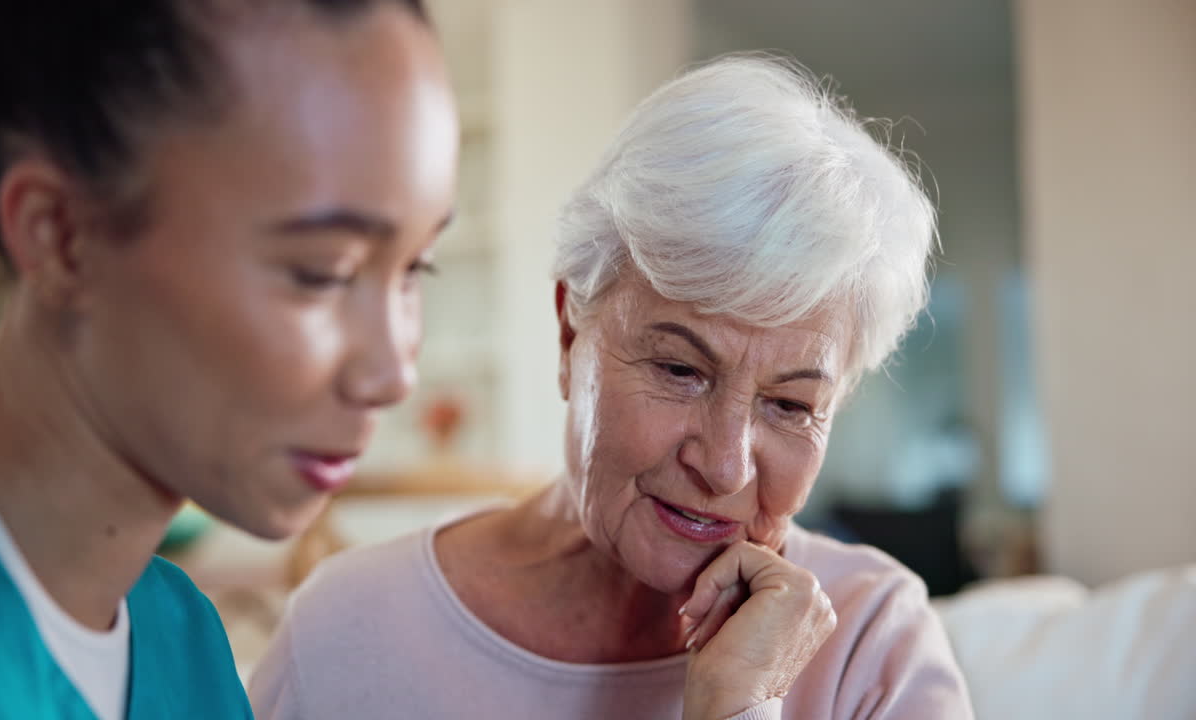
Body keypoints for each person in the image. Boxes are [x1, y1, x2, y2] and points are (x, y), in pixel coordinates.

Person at [250, 55, 974, 719]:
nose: (724, 465)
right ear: (570, 334)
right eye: (680, 370)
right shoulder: (347, 630)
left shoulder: (875, 645)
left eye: (789, 405)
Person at [0, 0, 457, 717]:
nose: (393, 375)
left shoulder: (186, 644)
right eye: (321, 272)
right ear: (60, 236)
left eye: (416, 267)